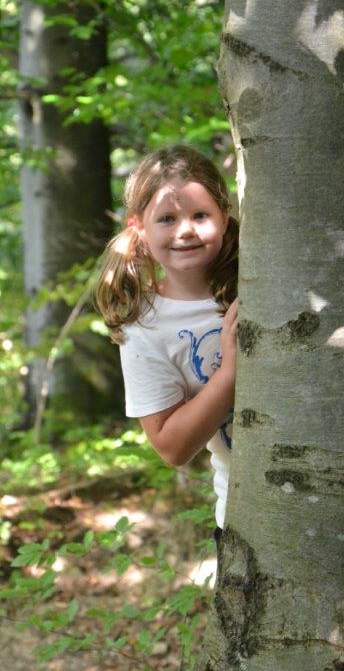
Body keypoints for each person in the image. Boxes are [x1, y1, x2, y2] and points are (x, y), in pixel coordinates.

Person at [95, 145, 238, 554]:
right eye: (167, 219)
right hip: (243, 517)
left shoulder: (262, 282)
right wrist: (230, 372)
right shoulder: (144, 327)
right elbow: (171, 447)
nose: (185, 230)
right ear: (138, 227)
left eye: (200, 215)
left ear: (223, 216)